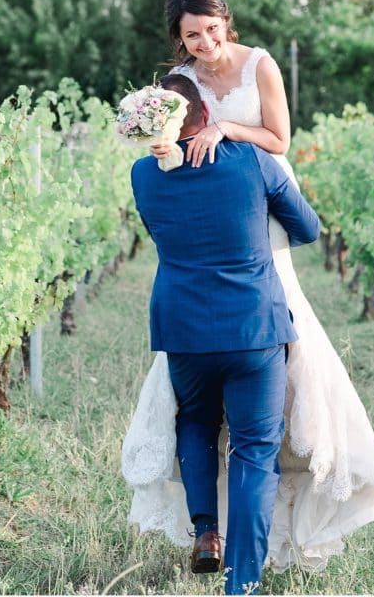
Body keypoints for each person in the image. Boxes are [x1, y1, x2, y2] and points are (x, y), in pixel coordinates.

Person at [122, 0, 374, 574]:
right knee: (251, 429)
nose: (203, 43)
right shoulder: (182, 85)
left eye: (210, 29)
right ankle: (239, 569)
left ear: (226, 20)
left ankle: (210, 530)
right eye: (190, 36)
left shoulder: (259, 68)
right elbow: (309, 225)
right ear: (179, 40)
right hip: (244, 241)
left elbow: (279, 141)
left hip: (238, 233)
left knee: (201, 411)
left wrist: (226, 132)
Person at [130, 73, 321, 594]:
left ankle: (206, 532)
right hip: (253, 325)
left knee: (194, 421)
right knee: (255, 449)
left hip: (183, 325)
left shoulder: (143, 175)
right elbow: (308, 228)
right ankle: (242, 583)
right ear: (203, 112)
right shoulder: (253, 162)